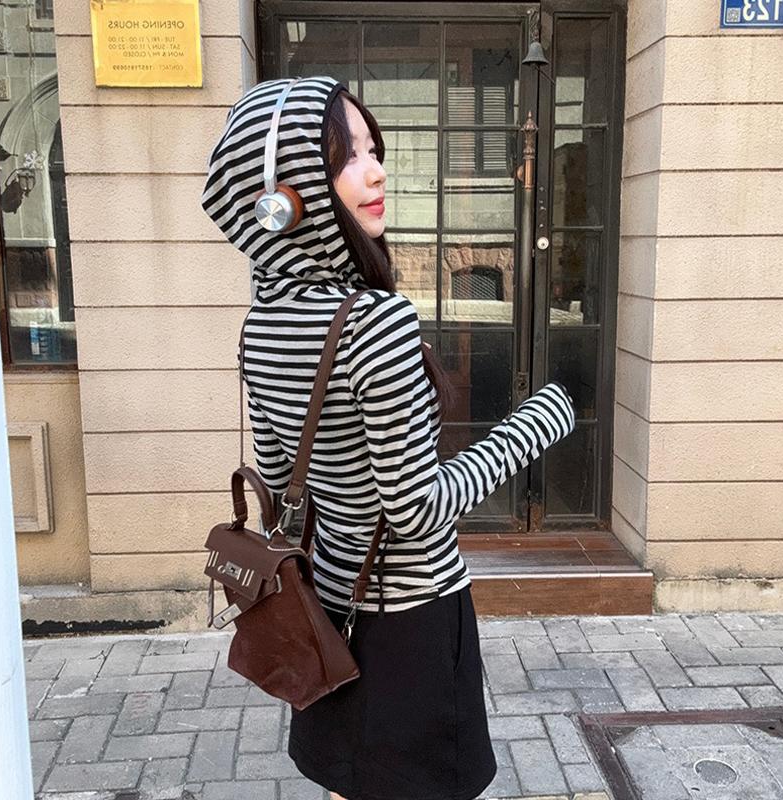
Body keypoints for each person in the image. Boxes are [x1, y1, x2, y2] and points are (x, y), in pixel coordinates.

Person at [201, 75, 576, 800]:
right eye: (347, 155)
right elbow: (414, 510)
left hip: (327, 608)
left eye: (374, 150)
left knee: (351, 783)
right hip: (411, 618)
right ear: (286, 190)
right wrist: (535, 425)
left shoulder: (262, 323)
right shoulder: (377, 322)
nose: (376, 172)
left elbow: (283, 488)